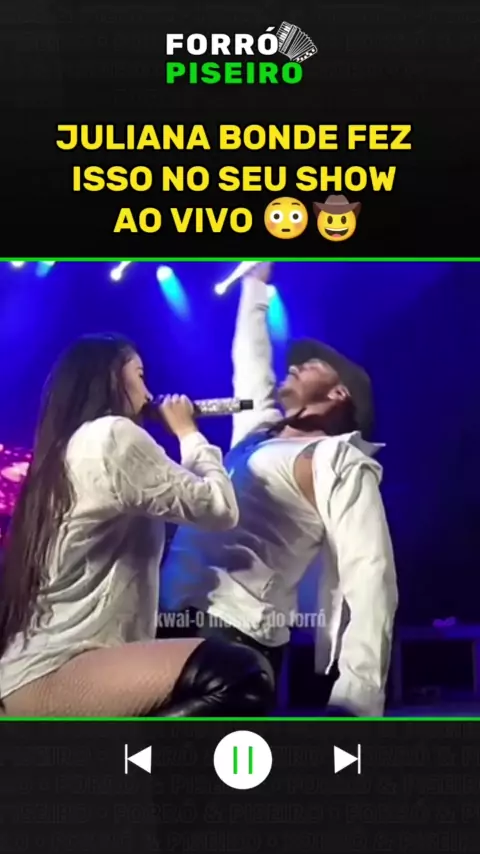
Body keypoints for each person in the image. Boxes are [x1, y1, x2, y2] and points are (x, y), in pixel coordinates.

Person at [160, 264, 398, 717]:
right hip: (171, 614)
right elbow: (250, 363)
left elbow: (371, 575)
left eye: (312, 365)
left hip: (235, 636)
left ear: (339, 394)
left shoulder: (337, 459)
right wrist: (256, 286)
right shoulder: (257, 432)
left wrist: (357, 697)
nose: (294, 365)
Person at [0, 333, 274, 717]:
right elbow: (219, 508)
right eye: (140, 375)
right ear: (111, 378)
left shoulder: (62, 451)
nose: (148, 393)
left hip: (32, 672)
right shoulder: (110, 436)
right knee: (239, 675)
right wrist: (188, 433)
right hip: (60, 667)